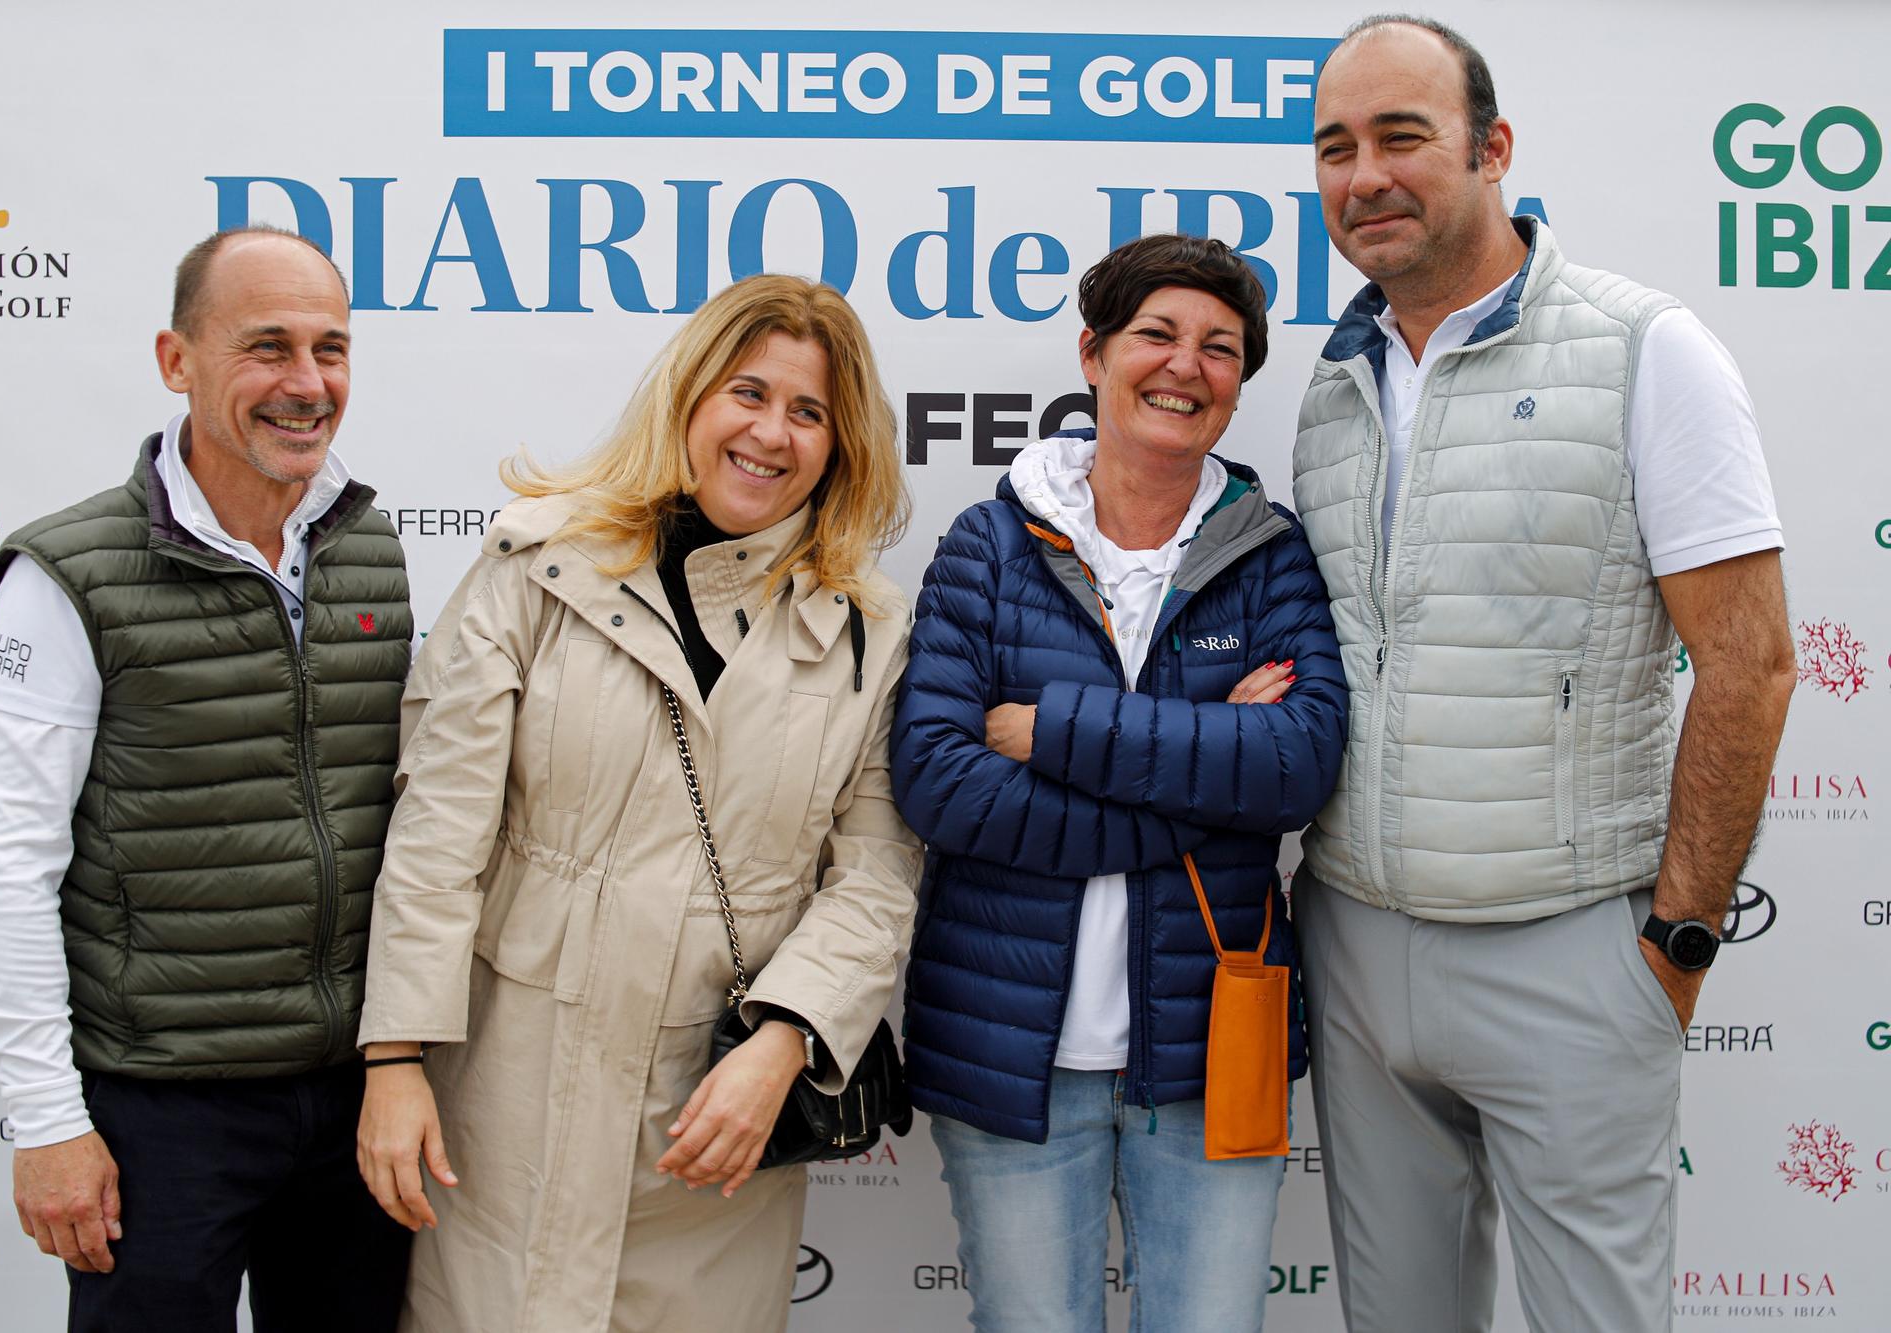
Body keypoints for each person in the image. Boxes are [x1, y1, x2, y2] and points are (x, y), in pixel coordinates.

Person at [1290, 15, 1795, 1331]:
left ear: (1493, 146)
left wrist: (1674, 944)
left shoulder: (1646, 347)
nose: (1366, 176)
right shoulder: (1328, 389)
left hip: (1571, 949)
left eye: (1403, 136)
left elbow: (1751, 662)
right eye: (1337, 148)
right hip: (1353, 944)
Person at [353, 273, 922, 1332]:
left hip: (708, 1136)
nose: (771, 433)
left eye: (809, 413)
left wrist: (784, 1039)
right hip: (503, 1112)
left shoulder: (866, 632)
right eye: (747, 393)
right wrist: (392, 1061)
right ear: (690, 396)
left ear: (842, 446)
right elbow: (438, 835)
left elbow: (876, 874)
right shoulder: (538, 565)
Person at [891, 233, 1348, 1332]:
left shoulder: (1268, 552)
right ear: (1093, 353)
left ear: (1238, 385)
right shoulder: (985, 548)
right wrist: (1198, 772)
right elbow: (939, 785)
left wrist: (1046, 728)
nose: (1184, 366)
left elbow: (1293, 766)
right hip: (1009, 1055)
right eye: (1156, 335)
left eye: (1219, 348)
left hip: (1208, 1049)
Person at [0, 225, 415, 1330]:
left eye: (331, 349)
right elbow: (11, 866)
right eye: (266, 347)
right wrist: (44, 1121)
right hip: (161, 1110)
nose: (307, 384)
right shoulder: (66, 574)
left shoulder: (372, 547)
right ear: (178, 360)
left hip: (356, 1096)